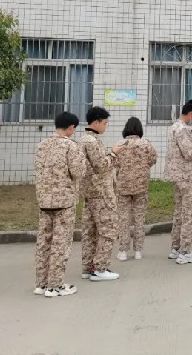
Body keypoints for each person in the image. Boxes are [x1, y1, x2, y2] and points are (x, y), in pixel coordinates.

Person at [34, 112, 85, 298]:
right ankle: (55, 285)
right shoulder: (71, 146)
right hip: (64, 201)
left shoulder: (42, 145)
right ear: (71, 127)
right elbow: (78, 171)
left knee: (44, 242)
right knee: (60, 243)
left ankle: (41, 284)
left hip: (44, 200)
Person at [79, 106, 121, 282]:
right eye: (104, 123)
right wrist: (114, 153)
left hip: (89, 192)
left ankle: (88, 267)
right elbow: (101, 165)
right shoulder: (91, 142)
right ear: (96, 122)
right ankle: (100, 268)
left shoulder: (82, 140)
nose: (106, 126)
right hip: (101, 192)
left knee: (90, 231)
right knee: (108, 229)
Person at [165, 100, 192, 265]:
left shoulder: (174, 127)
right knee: (189, 213)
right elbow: (190, 153)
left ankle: (176, 247)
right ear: (190, 113)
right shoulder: (182, 129)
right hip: (187, 177)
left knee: (179, 212)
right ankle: (185, 252)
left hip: (179, 177)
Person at [115, 117, 158, 262]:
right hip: (141, 186)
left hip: (123, 186)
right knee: (139, 218)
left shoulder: (120, 144)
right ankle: (138, 251)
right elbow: (153, 159)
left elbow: (114, 162)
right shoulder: (146, 144)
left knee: (123, 219)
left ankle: (123, 251)